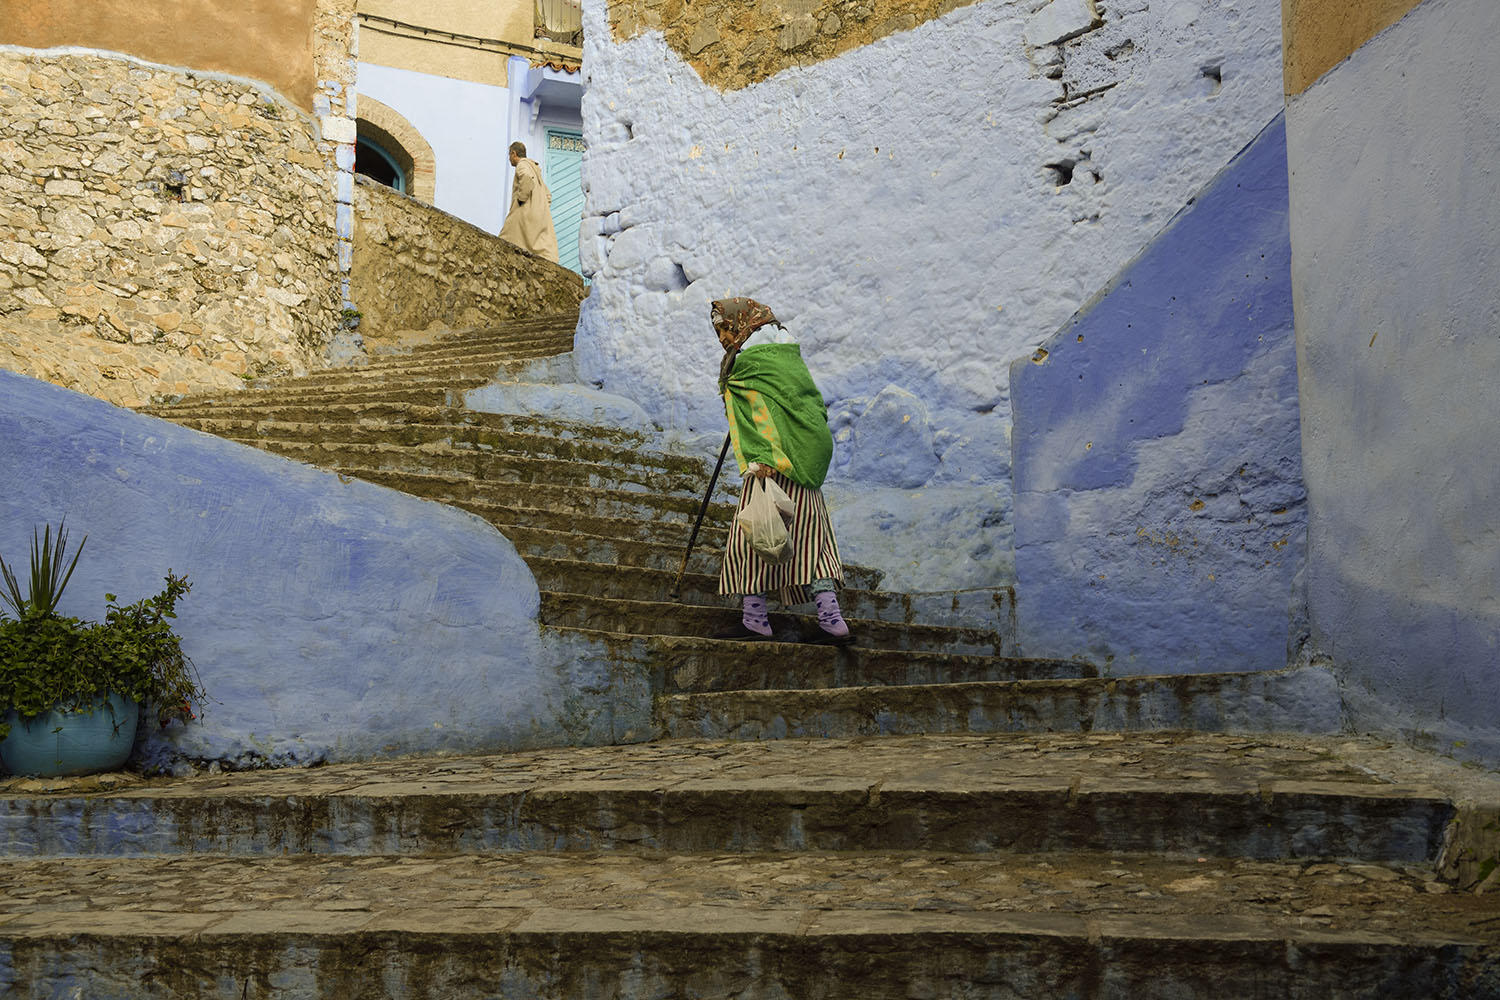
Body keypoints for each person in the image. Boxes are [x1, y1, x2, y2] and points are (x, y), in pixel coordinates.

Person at [711, 298, 853, 645]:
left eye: (725, 327)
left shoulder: (749, 364)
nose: (722, 336)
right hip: (805, 463)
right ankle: (832, 621)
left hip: (771, 467)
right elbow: (799, 407)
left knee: (752, 539)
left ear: (742, 324)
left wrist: (760, 457)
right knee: (813, 546)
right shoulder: (789, 360)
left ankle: (755, 619)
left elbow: (759, 412)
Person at [498, 141, 559, 263]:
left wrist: (521, 199)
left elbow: (526, 179)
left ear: (514, 154)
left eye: (509, 155)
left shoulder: (522, 165)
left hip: (524, 210)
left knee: (506, 238)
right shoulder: (534, 168)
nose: (509, 159)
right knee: (539, 245)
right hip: (538, 213)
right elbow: (547, 195)